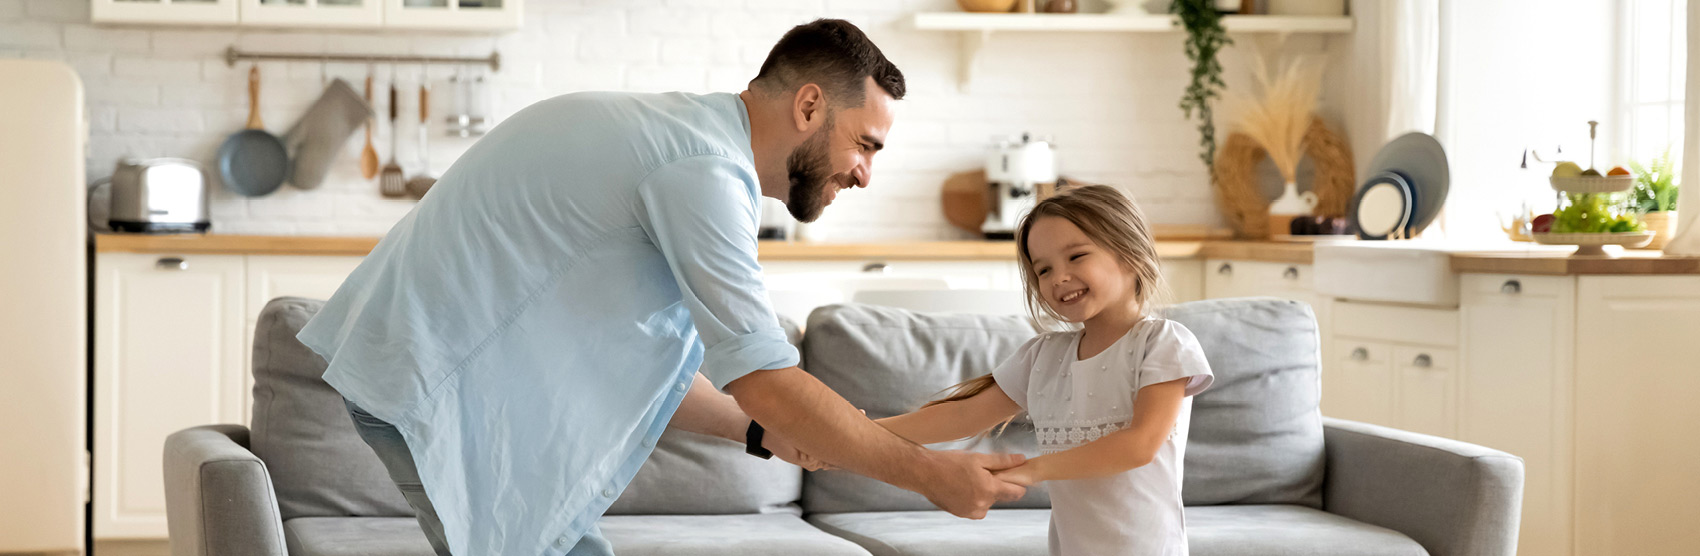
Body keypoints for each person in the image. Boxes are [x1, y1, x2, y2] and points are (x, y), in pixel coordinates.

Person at [298, 18, 1027, 556]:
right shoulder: (701, 170)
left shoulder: (685, 145)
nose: (866, 173)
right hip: (430, 381)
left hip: (432, 375)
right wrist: (928, 474)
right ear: (809, 107)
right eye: (865, 144)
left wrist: (760, 432)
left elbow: (651, 363)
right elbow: (766, 378)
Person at [875, 184, 1216, 556]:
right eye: (1044, 269)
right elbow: (963, 415)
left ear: (1129, 253)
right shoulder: (1043, 357)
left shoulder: (1164, 344)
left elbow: (1139, 445)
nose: (1059, 278)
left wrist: (1032, 469)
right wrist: (854, 433)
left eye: (1076, 257)